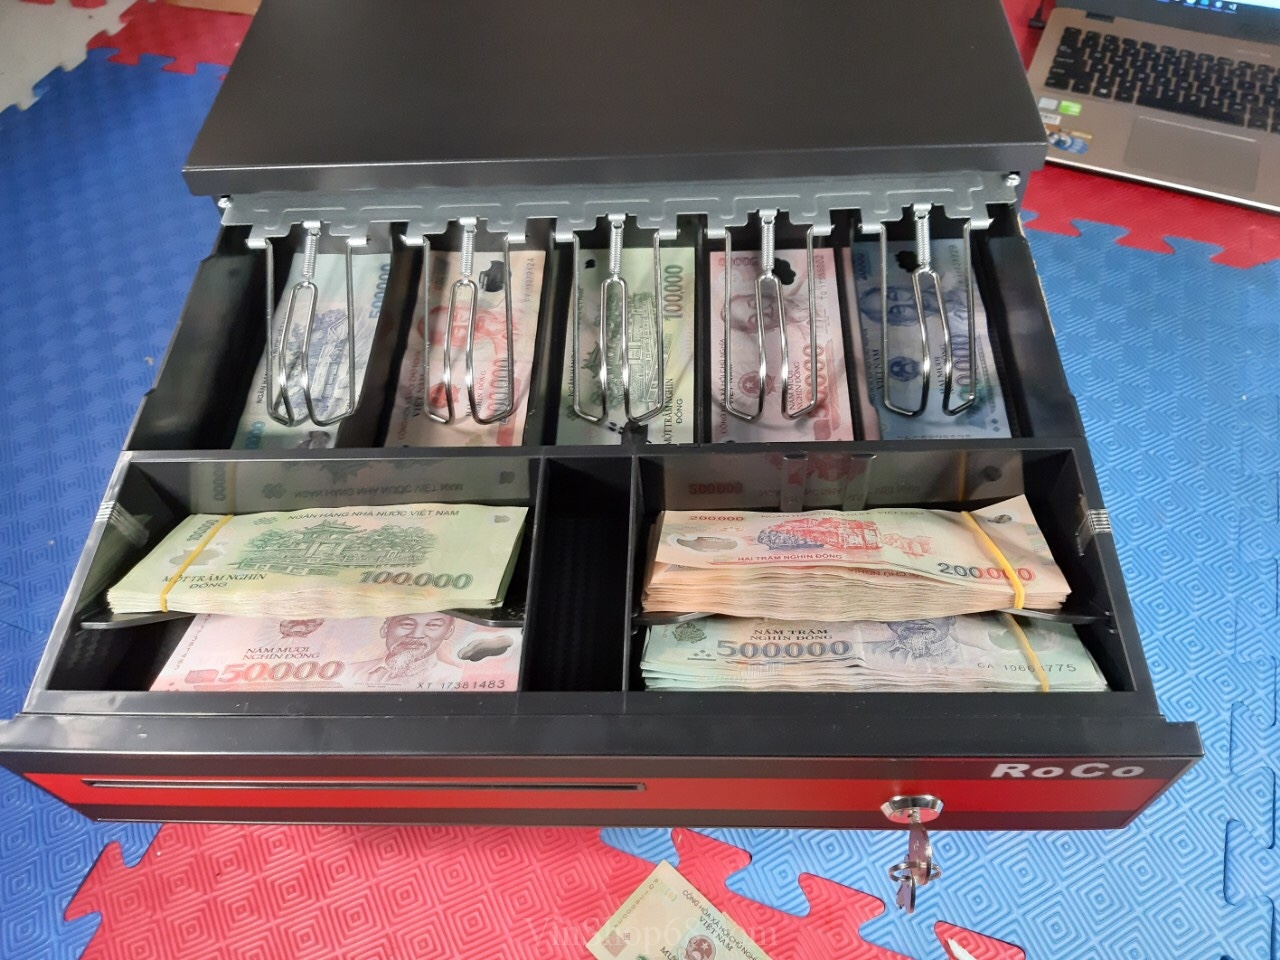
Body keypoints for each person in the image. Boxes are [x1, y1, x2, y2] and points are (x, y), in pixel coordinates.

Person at [349, 613, 465, 687]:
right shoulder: (348, 672)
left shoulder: (458, 678)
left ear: (449, 632)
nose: (416, 635)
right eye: (407, 624)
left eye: (433, 625)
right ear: (385, 629)